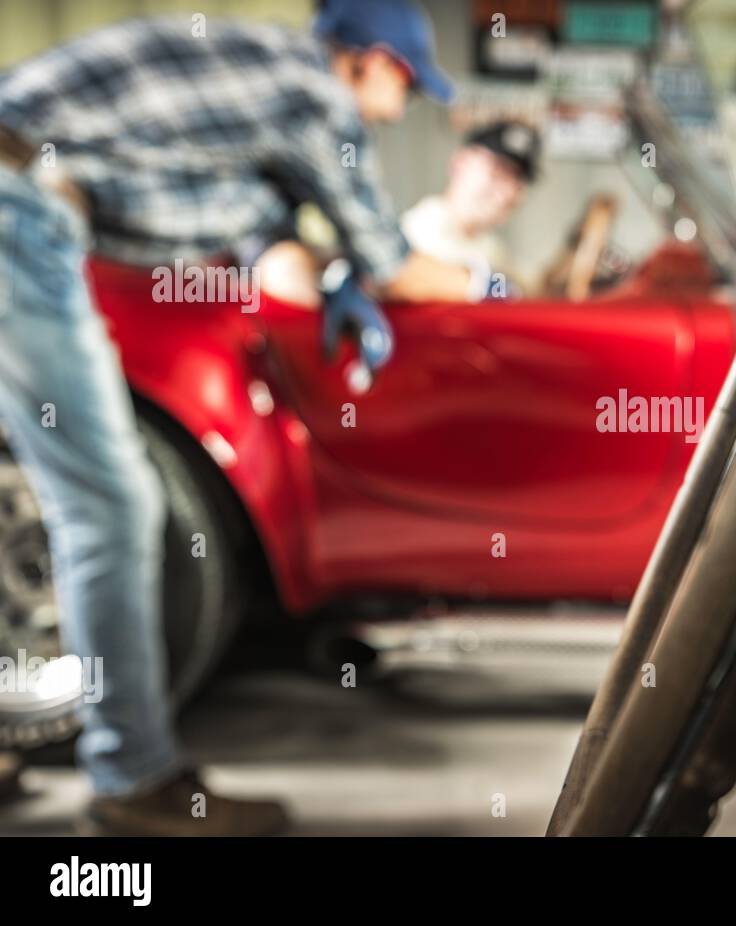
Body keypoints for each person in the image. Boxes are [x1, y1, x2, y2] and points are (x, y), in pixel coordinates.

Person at [0, 0, 467, 836]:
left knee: (97, 505)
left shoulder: (251, 101)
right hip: (16, 210)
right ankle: (133, 780)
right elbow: (393, 261)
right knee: (112, 508)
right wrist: (478, 287)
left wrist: (330, 279)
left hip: (20, 198)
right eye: (404, 87)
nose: (398, 110)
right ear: (370, 62)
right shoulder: (315, 95)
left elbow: (265, 243)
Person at [401, 120, 542, 296]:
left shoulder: (495, 251)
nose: (505, 191)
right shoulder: (416, 231)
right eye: (497, 171)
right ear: (460, 162)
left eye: (516, 181)